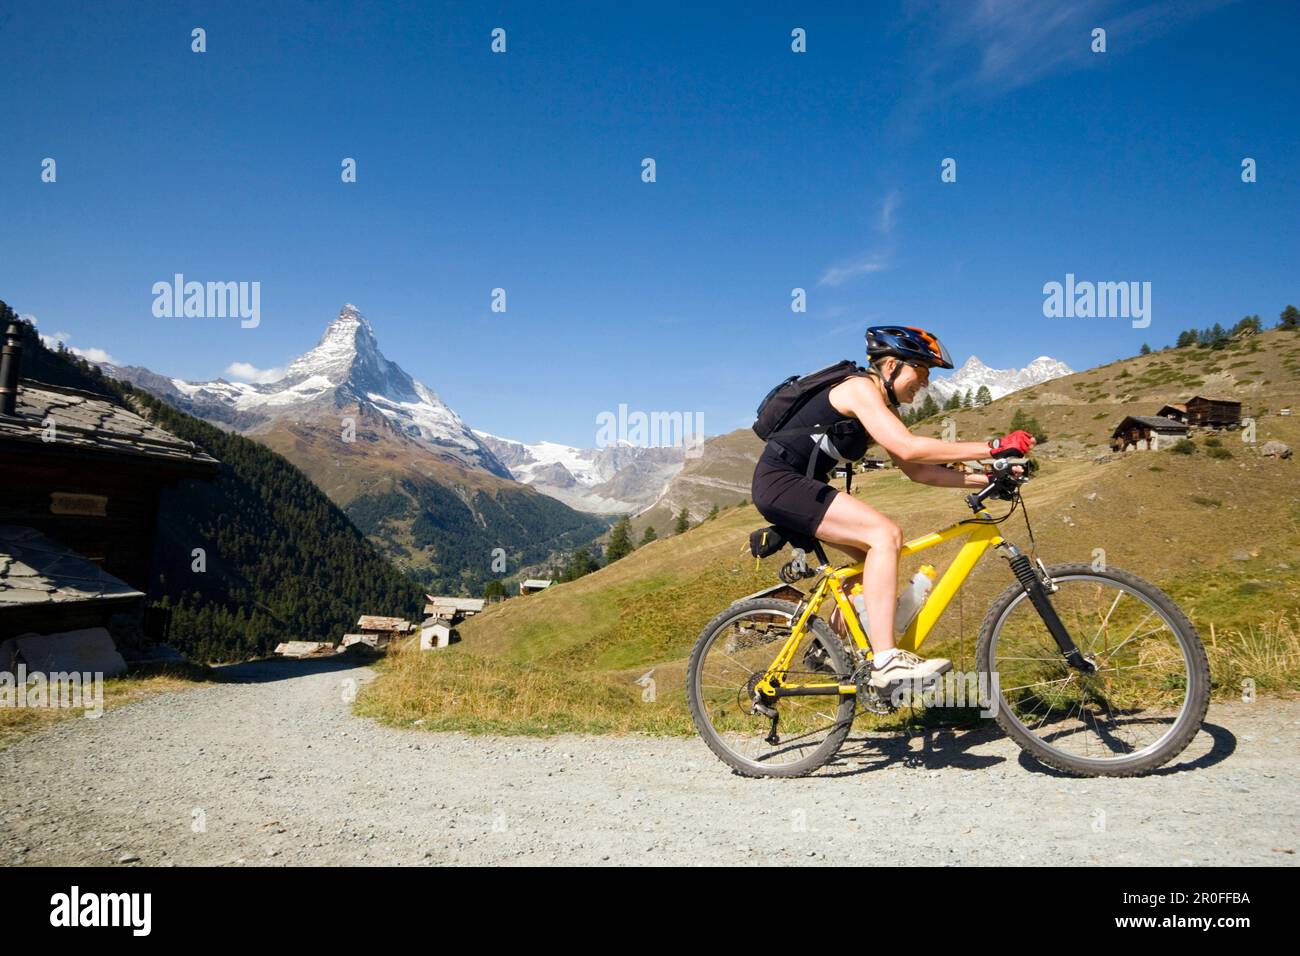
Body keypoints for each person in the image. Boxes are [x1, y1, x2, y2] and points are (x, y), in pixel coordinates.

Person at [749, 326, 1034, 689]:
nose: (926, 383)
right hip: (780, 484)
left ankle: (825, 649)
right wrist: (993, 446)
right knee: (885, 535)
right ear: (892, 366)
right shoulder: (858, 389)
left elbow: (917, 471)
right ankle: (886, 660)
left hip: (798, 488)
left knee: (871, 559)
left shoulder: (880, 406)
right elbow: (910, 447)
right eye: (922, 371)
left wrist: (989, 480)